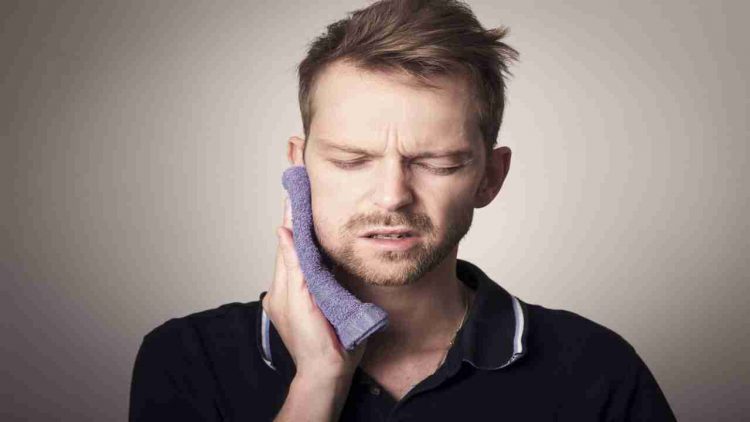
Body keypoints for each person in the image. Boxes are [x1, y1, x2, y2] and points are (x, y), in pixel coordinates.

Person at [129, 0, 676, 420]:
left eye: (437, 163)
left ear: (490, 176)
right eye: (351, 161)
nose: (392, 195)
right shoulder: (188, 359)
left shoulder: (595, 369)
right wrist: (317, 383)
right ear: (299, 167)